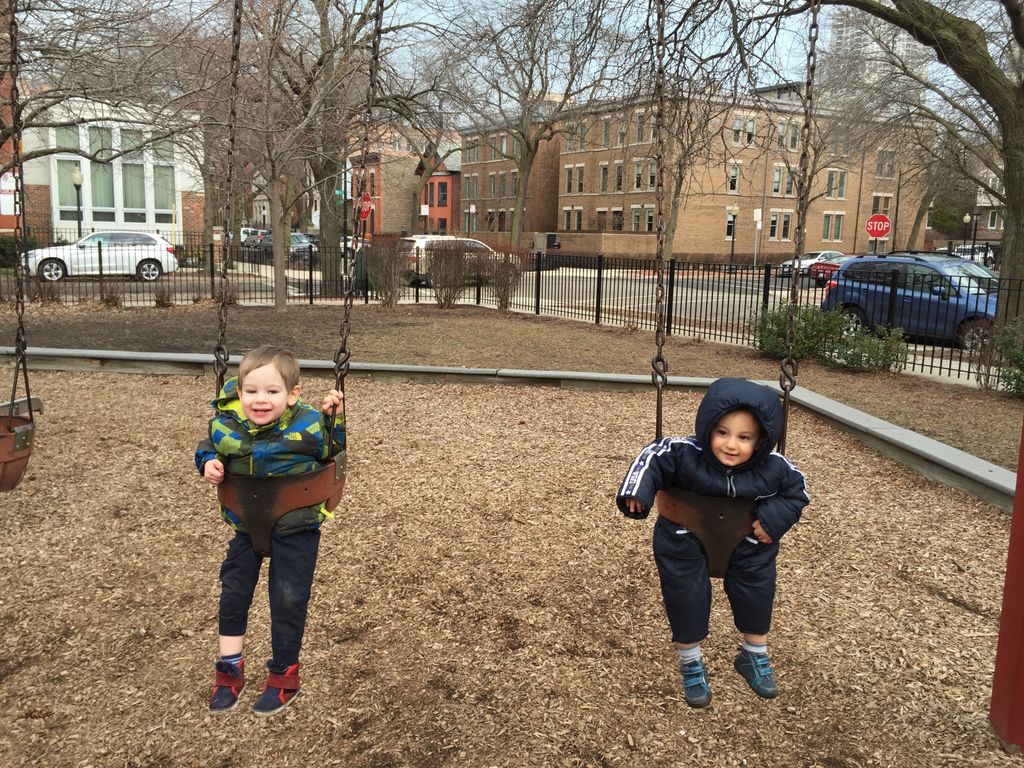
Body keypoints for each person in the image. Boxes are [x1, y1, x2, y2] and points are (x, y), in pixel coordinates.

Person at [616, 377, 808, 709]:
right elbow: (651, 458)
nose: (731, 444)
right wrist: (637, 491)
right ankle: (690, 661)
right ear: (707, 429)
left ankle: (753, 654)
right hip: (684, 540)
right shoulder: (682, 452)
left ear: (761, 440)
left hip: (748, 544)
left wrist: (774, 519)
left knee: (757, 591)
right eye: (722, 432)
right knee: (685, 594)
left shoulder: (774, 468)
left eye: (744, 437)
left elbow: (797, 493)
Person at [195, 345, 345, 717]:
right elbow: (208, 446)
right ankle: (229, 670)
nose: (260, 399)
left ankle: (284, 675)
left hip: (296, 528)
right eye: (251, 391)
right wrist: (208, 462)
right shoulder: (227, 423)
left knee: (288, 597)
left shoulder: (310, 425)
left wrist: (334, 420)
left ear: (292, 395)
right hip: (247, 525)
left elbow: (333, 452)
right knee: (233, 594)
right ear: (239, 391)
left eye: (272, 391)